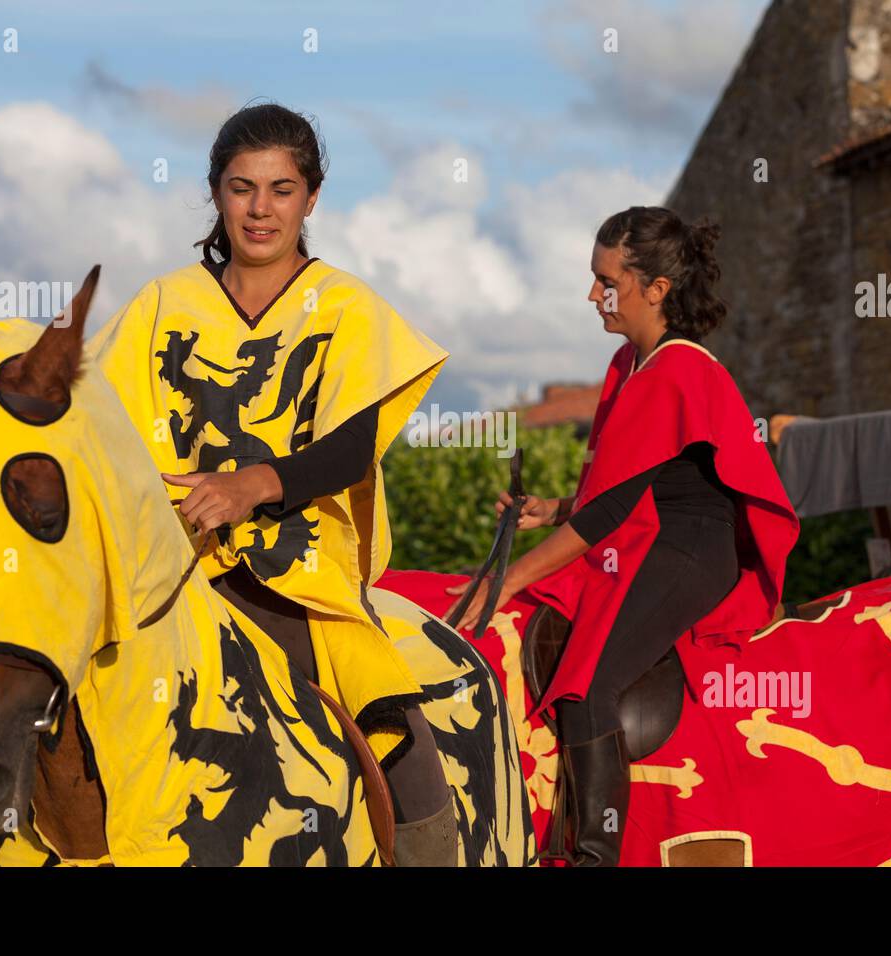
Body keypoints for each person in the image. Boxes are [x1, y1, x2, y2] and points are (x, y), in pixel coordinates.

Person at [89, 103, 457, 865]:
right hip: (166, 568)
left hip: (299, 574)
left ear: (311, 198)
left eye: (282, 189)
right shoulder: (160, 305)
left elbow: (351, 451)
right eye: (241, 187)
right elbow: (97, 427)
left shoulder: (348, 307)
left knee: (403, 745)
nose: (261, 209)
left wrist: (246, 486)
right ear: (216, 194)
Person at [446, 206, 800, 865]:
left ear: (655, 288)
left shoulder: (675, 371)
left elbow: (605, 518)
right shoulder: (627, 363)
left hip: (692, 553)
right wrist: (552, 509)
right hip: (649, 536)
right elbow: (616, 491)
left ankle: (595, 857)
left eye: (606, 281)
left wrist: (502, 585)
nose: (592, 295)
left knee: (589, 684)